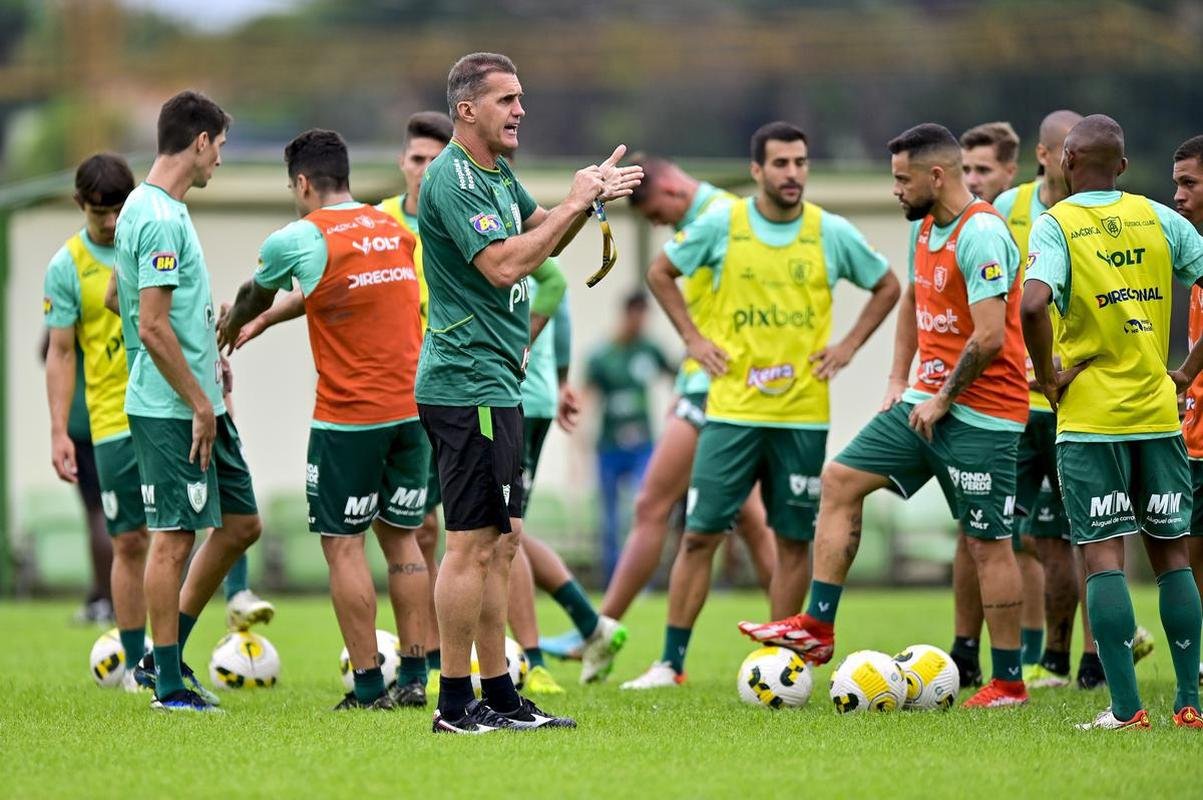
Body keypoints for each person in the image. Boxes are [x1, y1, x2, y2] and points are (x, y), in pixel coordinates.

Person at [740, 123, 1031, 709]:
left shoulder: (982, 235)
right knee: (841, 481)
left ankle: (1008, 684)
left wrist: (942, 397)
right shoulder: (925, 228)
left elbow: (991, 337)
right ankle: (817, 627)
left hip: (984, 412)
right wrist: (900, 381)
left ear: (936, 176)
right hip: (921, 403)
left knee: (987, 544)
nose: (895, 190)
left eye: (902, 179)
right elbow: (913, 304)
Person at [623, 121, 899, 689]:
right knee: (699, 534)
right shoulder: (723, 224)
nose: (793, 173)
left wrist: (847, 346)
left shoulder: (830, 232)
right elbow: (660, 272)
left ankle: (782, 663)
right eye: (781, 164)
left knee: (793, 537)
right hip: (730, 412)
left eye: (800, 162)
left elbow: (888, 285)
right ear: (757, 171)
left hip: (801, 414)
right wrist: (695, 342)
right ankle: (670, 663)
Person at [417, 51, 640, 733]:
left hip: (497, 383)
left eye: (520, 98)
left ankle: (501, 696)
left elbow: (541, 236)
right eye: (506, 100)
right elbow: (501, 264)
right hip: (466, 385)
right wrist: (574, 201)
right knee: (471, 546)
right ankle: (455, 705)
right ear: (466, 110)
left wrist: (584, 200)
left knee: (503, 542)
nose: (519, 110)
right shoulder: (451, 178)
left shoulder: (495, 173)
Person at [220, 128, 436, 710]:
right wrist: (269, 321)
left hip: (350, 416)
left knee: (343, 546)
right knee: (404, 539)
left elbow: (254, 292)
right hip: (413, 409)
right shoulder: (391, 227)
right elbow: (332, 290)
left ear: (302, 182)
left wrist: (237, 323)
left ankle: (369, 687)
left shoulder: (298, 236)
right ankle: (416, 676)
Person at [1022, 114, 1203, 729]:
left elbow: (1031, 303)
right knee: (1173, 558)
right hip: (1157, 412)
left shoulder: (1056, 225)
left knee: (1103, 559)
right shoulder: (1160, 217)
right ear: (1123, 167)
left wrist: (1047, 378)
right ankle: (1188, 704)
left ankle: (1126, 711)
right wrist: (1185, 371)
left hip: (1092, 419)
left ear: (1066, 162)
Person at [561, 157, 775, 650]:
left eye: (656, 212)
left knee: (654, 505)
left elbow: (669, 279)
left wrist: (696, 349)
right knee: (748, 518)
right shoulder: (719, 216)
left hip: (715, 388)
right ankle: (793, 632)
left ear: (673, 188)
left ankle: (599, 632)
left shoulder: (720, 216)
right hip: (716, 384)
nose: (658, 223)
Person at [114, 90, 263, 713]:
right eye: (220, 147)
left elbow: (163, 317)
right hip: (174, 410)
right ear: (199, 141)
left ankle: (159, 660)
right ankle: (168, 686)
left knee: (240, 525)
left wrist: (211, 347)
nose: (220, 161)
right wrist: (200, 402)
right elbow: (150, 326)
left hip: (201, 402)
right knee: (173, 537)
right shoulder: (158, 217)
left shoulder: (159, 209)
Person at [44, 154, 144, 676]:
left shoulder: (149, 240)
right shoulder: (66, 266)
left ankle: (169, 655)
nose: (109, 223)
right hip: (108, 419)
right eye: (98, 213)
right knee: (126, 536)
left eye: (117, 211)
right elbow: (59, 353)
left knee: (182, 534)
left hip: (163, 409)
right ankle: (135, 657)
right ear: (79, 204)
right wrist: (59, 430)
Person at [585, 291, 675, 581]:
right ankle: (611, 576)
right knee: (610, 518)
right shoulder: (603, 355)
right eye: (637, 315)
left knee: (643, 508)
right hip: (610, 446)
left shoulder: (649, 349)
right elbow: (587, 398)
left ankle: (641, 578)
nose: (641, 322)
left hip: (642, 447)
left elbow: (675, 374)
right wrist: (578, 443)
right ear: (626, 314)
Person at [1174, 134, 1203, 686]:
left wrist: (1183, 373)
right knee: (1190, 551)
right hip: (1197, 432)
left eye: (1190, 183)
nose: (1178, 195)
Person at [960, 121, 1020, 204]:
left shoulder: (1036, 215)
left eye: (983, 170)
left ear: (1010, 172)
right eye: (966, 170)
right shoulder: (941, 215)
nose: (971, 181)